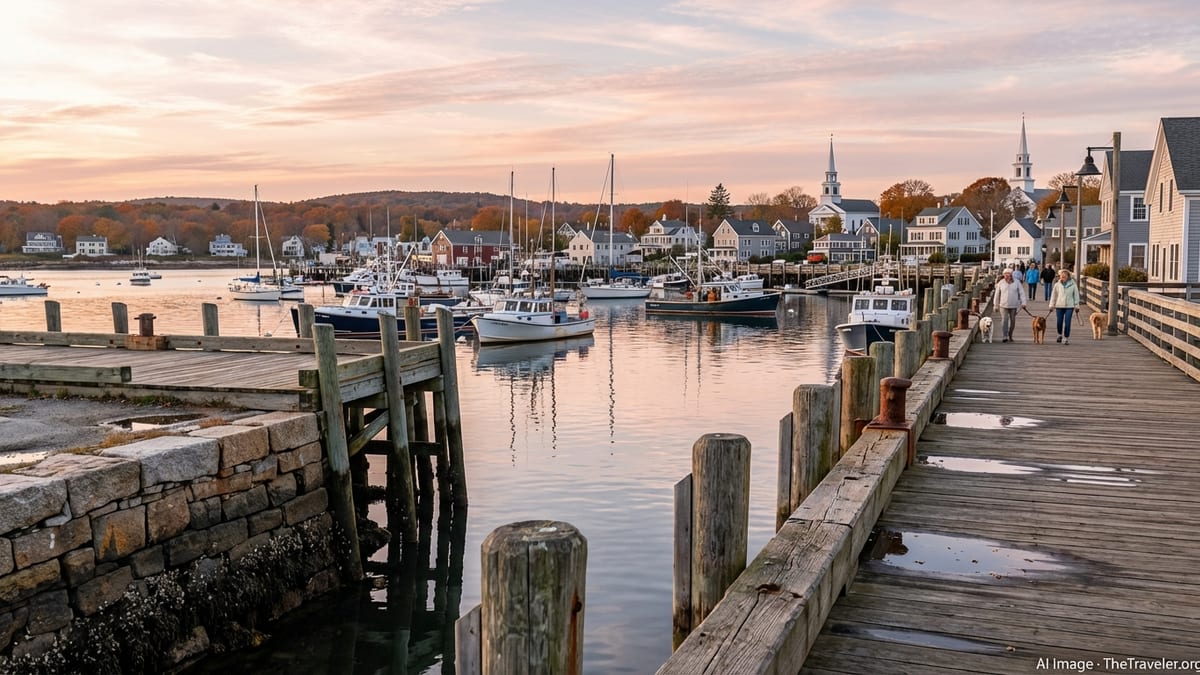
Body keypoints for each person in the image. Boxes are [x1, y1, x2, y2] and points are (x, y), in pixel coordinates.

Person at [992, 268, 1027, 343]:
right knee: (1004, 320)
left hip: (1014, 305)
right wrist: (995, 305)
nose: (1007, 276)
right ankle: (1005, 336)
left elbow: (1022, 293)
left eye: (1009, 274)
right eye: (1006, 275)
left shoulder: (1017, 282)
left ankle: (1010, 334)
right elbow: (997, 295)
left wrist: (1023, 303)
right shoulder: (1001, 283)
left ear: (1011, 275)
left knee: (1013, 321)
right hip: (1003, 305)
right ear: (1004, 275)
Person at [1048, 268, 1080, 344]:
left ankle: (1066, 337)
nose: (1063, 278)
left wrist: (1077, 305)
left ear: (1068, 276)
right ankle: (1059, 335)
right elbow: (1053, 295)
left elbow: (1076, 295)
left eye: (1064, 276)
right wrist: (1051, 305)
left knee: (1067, 322)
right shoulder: (1057, 285)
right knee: (1059, 322)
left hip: (1069, 306)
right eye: (1061, 276)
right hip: (1059, 305)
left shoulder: (1073, 284)